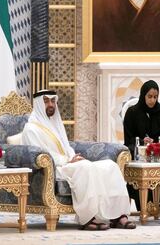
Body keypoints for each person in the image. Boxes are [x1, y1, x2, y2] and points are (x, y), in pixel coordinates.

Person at [21, 89, 136, 231]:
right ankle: (88, 218)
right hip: (54, 168)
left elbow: (66, 146)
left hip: (68, 164)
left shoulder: (54, 123)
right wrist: (68, 161)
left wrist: (73, 157)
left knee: (110, 166)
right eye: (46, 101)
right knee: (85, 167)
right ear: (38, 104)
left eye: (52, 101)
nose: (50, 104)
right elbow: (37, 153)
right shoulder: (31, 128)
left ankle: (118, 216)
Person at [122, 80, 160, 208]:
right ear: (143, 95)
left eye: (155, 97)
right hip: (139, 154)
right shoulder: (132, 112)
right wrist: (142, 142)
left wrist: (156, 144)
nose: (152, 100)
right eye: (149, 96)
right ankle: (145, 205)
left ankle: (156, 204)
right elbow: (128, 140)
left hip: (159, 153)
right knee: (140, 165)